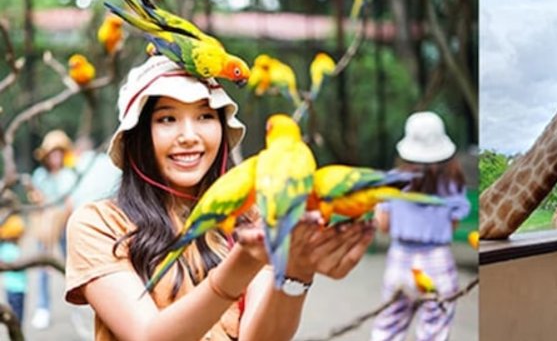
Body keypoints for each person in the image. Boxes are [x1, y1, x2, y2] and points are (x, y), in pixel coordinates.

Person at [65, 56, 374, 341]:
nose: (189, 135)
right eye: (167, 119)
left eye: (204, 116)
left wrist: (297, 271)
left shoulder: (251, 218)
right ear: (138, 135)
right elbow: (147, 336)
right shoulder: (98, 224)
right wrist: (241, 264)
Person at [370, 111, 470, 341]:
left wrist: (379, 207)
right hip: (437, 262)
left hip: (400, 261)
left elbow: (383, 225)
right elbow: (452, 226)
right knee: (435, 332)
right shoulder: (453, 183)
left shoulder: (393, 180)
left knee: (387, 329)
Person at [28, 128, 77, 329]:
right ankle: (43, 307)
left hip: (64, 224)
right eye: (52, 154)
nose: (55, 157)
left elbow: (69, 200)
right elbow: (38, 200)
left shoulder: (69, 174)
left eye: (59, 153)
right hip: (46, 227)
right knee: (43, 267)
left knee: (72, 264)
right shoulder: (40, 175)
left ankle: (78, 305)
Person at [0, 214, 27, 325]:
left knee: (12, 315)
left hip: (10, 287)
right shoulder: (12, 250)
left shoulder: (4, 248)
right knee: (17, 317)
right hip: (18, 288)